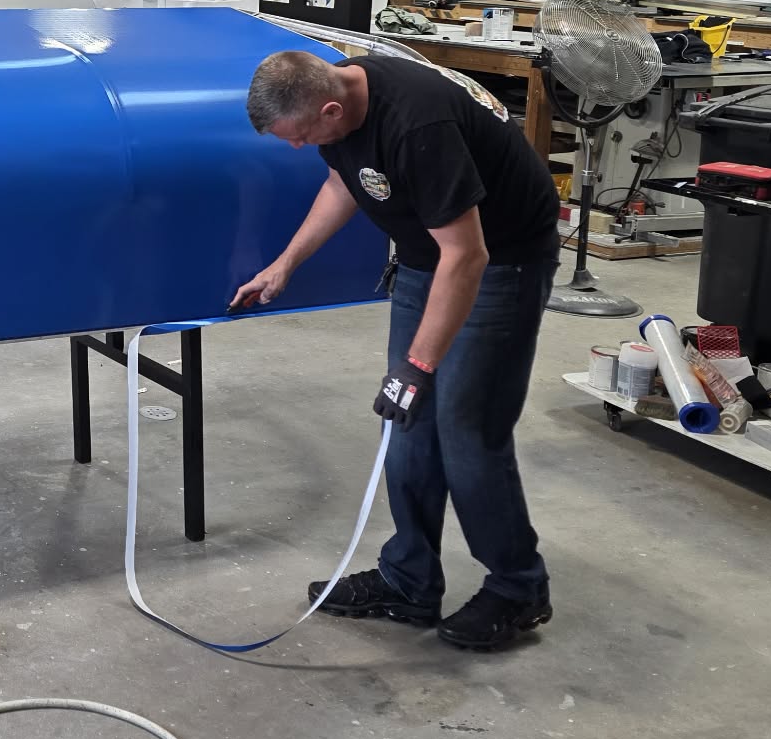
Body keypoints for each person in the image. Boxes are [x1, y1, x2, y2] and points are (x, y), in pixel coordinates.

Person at [232, 48, 559, 651]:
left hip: (498, 262)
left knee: (467, 429)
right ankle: (409, 580)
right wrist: (285, 265)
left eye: (301, 137)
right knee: (405, 421)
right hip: (424, 257)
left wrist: (421, 361)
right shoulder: (338, 98)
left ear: (331, 108)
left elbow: (468, 257)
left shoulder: (417, 125)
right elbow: (344, 180)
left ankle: (518, 588)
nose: (299, 148)